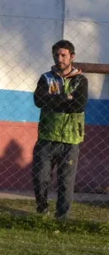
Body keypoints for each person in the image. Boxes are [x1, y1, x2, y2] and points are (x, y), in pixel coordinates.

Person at [32, 40, 87, 220]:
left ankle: (62, 218)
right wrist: (65, 97)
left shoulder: (80, 80)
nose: (59, 58)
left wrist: (53, 100)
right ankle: (42, 211)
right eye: (56, 55)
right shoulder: (46, 78)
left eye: (63, 55)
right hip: (47, 136)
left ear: (72, 56)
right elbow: (39, 101)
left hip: (71, 139)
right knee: (40, 179)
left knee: (65, 182)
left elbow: (78, 106)